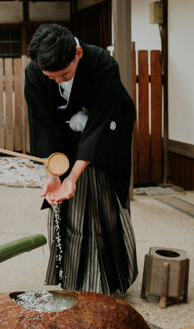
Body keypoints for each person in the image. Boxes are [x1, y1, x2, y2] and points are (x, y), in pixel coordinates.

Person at [24, 24, 138, 296]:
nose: (58, 82)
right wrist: (54, 175)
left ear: (77, 53)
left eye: (64, 74)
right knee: (67, 211)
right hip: (65, 138)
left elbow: (101, 125)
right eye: (51, 77)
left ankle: (111, 283)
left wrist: (73, 178)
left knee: (103, 208)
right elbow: (42, 125)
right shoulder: (35, 72)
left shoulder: (102, 63)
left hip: (107, 133)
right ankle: (73, 281)